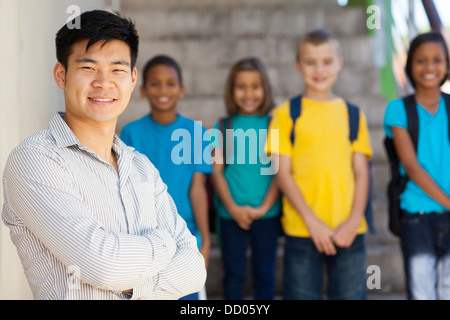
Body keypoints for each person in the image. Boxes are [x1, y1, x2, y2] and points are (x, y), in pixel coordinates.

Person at [1, 10, 206, 300]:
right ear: (61, 74)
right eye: (88, 68)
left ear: (133, 79)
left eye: (117, 69)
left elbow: (195, 269)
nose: (104, 83)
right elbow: (103, 267)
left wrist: (131, 281)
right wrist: (165, 244)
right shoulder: (34, 160)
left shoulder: (141, 168)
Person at [265, 29, 372, 300]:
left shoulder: (353, 114)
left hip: (348, 231)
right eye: (310, 62)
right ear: (297, 66)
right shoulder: (284, 114)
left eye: (326, 61)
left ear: (339, 63)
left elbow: (361, 173)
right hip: (303, 231)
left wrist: (353, 221)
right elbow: (282, 173)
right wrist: (312, 222)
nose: (319, 69)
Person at [120, 55, 212, 300]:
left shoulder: (197, 133)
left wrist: (205, 239)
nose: (163, 89)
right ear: (141, 89)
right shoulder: (130, 133)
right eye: (155, 83)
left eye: (170, 83)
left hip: (186, 235)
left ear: (181, 90)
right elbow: (127, 188)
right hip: (145, 237)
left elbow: (198, 189)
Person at [383, 31, 450, 300]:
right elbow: (411, 167)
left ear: (446, 65)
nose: (429, 67)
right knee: (422, 292)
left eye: (437, 60)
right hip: (417, 215)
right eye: (421, 60)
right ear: (410, 65)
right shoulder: (398, 109)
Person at [209, 57, 281, 300]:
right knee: (234, 274)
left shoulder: (275, 125)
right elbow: (217, 172)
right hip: (231, 215)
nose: (248, 93)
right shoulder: (224, 126)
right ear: (232, 90)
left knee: (264, 273)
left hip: (267, 214)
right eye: (241, 87)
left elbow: (280, 173)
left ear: (265, 89)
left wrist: (263, 208)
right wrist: (232, 208)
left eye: (255, 86)